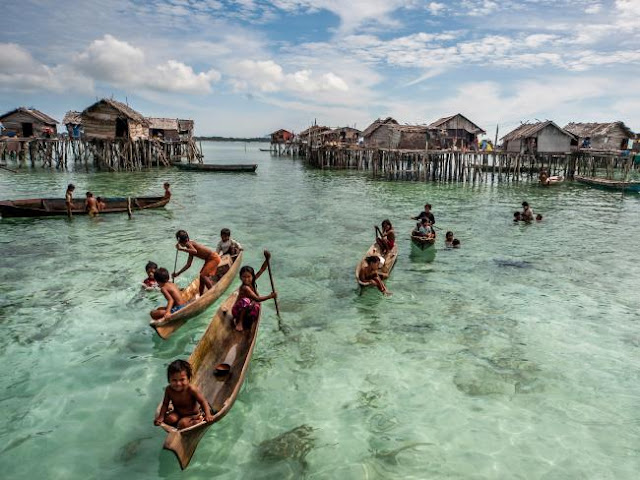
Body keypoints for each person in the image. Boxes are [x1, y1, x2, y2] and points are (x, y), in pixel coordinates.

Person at [154, 359, 214, 429]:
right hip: (178, 413)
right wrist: (161, 417)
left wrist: (208, 414)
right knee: (169, 419)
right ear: (169, 380)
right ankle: (181, 422)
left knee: (182, 424)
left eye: (182, 380)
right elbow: (165, 404)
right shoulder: (169, 390)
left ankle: (198, 420)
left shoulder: (191, 389)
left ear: (188, 379)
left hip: (193, 415)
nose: (178, 384)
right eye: (174, 380)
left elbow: (203, 401)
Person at [232, 251, 277, 332]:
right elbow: (257, 299)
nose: (246, 279)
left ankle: (249, 322)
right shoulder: (245, 288)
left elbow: (262, 269)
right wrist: (270, 296)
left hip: (247, 309)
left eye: (249, 277)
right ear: (240, 277)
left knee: (256, 306)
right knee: (247, 301)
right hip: (237, 311)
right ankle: (239, 322)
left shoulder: (252, 282)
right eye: (244, 277)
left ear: (252, 277)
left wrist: (267, 259)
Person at [173, 230, 221, 297]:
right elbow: (188, 265)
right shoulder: (189, 247)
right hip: (209, 259)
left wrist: (181, 249)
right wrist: (178, 273)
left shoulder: (188, 244)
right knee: (201, 278)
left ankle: (214, 294)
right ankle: (201, 296)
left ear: (179, 241)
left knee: (203, 276)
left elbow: (194, 251)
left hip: (213, 258)